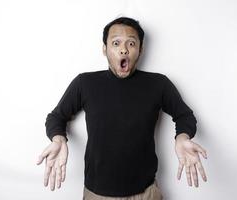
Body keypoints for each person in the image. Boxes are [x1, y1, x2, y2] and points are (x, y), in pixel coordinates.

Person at [36, 16, 208, 200]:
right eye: (116, 43)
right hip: (97, 194)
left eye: (131, 44)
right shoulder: (85, 83)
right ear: (105, 49)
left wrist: (182, 137)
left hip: (146, 193)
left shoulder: (159, 84)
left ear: (140, 50)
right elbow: (56, 117)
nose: (124, 50)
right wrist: (58, 139)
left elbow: (185, 116)